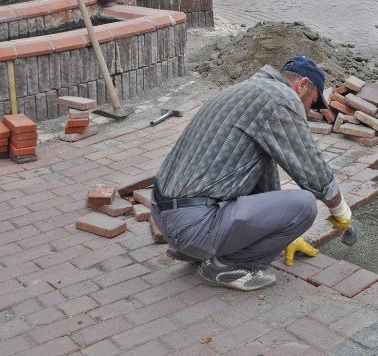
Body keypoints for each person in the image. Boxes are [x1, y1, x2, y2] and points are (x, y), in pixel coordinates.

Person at [151, 56, 355, 291]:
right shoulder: (280, 98)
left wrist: (284, 231)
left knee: (288, 205)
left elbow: (263, 178)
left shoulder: (244, 91)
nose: (310, 112)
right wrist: (340, 210)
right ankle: (225, 266)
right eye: (313, 103)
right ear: (303, 85)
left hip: (165, 216)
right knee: (305, 205)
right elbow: (312, 170)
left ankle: (197, 248)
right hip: (192, 226)